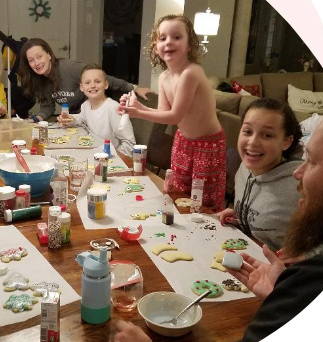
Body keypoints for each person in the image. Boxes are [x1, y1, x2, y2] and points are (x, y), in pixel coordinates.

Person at [105, 97, 323, 342]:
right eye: (247, 130)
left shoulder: (318, 277)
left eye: (312, 161)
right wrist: (280, 292)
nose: (298, 173)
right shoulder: (246, 173)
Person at [118, 14, 226, 210]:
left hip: (209, 143)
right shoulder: (164, 77)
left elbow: (176, 116)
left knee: (204, 199)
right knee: (180, 192)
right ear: (155, 47)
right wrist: (138, 108)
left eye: (177, 37)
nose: (169, 42)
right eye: (163, 38)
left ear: (190, 45)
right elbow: (164, 114)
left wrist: (138, 113)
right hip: (183, 141)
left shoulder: (191, 72)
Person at [216, 98, 303, 251]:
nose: (253, 142)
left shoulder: (301, 184)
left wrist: (296, 259)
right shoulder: (244, 168)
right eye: (247, 131)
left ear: (286, 142)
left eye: (267, 135)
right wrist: (243, 219)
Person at [17, 38, 154, 122]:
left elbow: (103, 79)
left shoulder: (71, 69)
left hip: (96, 116)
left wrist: (135, 88)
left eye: (39, 56)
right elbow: (48, 107)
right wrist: (36, 119)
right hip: (76, 120)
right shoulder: (40, 79)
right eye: (31, 60)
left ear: (49, 55)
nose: (36, 63)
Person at [58, 64, 136, 157]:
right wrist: (70, 119)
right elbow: (82, 119)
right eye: (87, 82)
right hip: (94, 152)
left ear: (106, 85)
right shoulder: (85, 105)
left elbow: (129, 143)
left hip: (110, 158)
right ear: (81, 87)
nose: (92, 86)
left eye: (97, 81)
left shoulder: (114, 108)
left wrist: (113, 157)